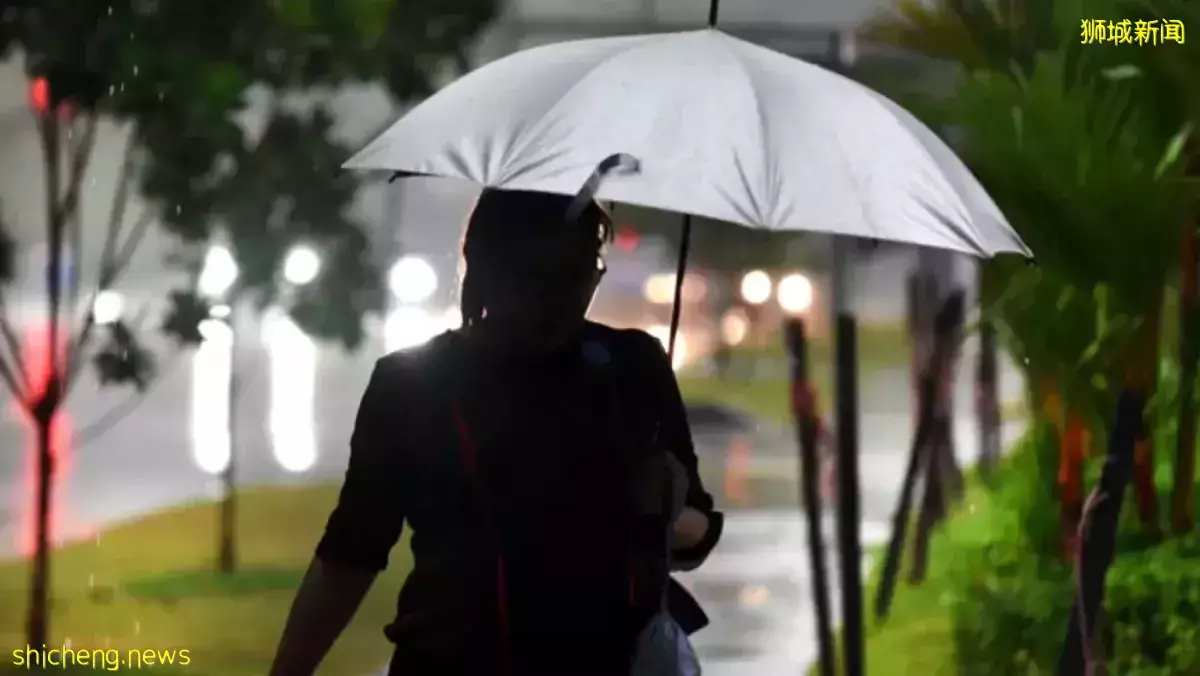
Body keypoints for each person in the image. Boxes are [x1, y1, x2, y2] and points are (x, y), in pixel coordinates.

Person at [268, 188, 724, 676]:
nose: (559, 301)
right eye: (536, 276)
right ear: (485, 269)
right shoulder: (414, 383)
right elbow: (351, 552)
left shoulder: (631, 366)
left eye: (580, 273)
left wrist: (662, 508)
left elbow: (695, 533)